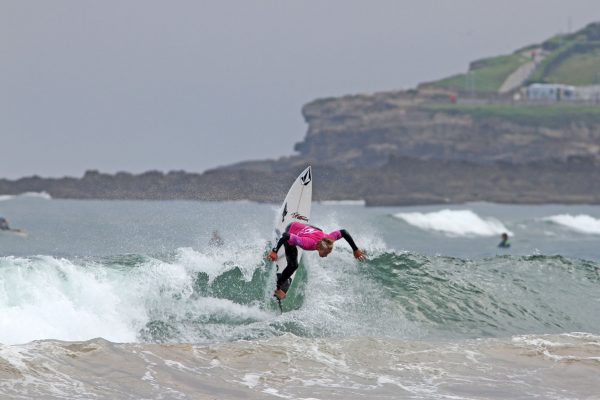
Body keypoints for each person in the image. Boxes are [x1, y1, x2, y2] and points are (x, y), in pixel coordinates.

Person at [267, 222, 366, 300]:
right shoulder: (307, 243)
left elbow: (344, 232)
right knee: (293, 265)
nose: (326, 256)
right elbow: (286, 235)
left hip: (303, 228)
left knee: (320, 230)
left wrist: (355, 250)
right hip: (292, 229)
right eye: (325, 253)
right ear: (319, 248)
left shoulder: (328, 239)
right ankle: (278, 287)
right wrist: (274, 251)